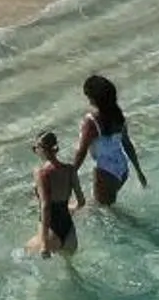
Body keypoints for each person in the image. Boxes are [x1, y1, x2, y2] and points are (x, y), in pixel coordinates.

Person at [72, 73, 147, 209]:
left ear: (93, 98)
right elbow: (127, 144)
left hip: (106, 171)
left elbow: (81, 152)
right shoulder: (117, 116)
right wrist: (138, 171)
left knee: (102, 211)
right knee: (101, 208)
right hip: (122, 168)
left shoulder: (91, 121)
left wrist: (70, 174)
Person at [28, 130, 80, 258]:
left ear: (42, 149)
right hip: (69, 232)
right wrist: (70, 208)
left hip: (51, 230)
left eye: (35, 147)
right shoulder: (70, 169)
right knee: (70, 267)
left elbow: (46, 206)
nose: (34, 150)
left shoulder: (41, 173)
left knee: (24, 253)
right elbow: (81, 201)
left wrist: (44, 245)